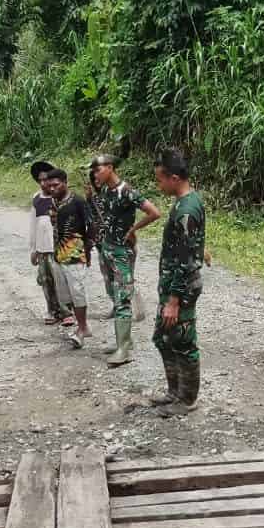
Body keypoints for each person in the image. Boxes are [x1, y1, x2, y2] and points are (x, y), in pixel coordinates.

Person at [91, 154, 161, 367]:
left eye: (97, 169)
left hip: (122, 251)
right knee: (113, 292)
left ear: (110, 167)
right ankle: (124, 341)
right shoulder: (105, 190)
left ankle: (124, 349)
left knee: (122, 297)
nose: (94, 173)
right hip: (107, 248)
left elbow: (154, 212)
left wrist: (133, 228)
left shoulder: (127, 191)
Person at [150, 149, 205, 416]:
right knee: (163, 338)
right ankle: (174, 391)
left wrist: (174, 300)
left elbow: (185, 258)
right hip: (172, 282)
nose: (158, 185)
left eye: (160, 180)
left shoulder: (187, 209)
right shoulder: (184, 202)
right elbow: (189, 245)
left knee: (183, 341)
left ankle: (187, 399)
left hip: (180, 288)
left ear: (174, 178)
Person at [44, 168, 94, 349]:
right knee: (68, 295)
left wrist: (87, 252)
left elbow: (91, 225)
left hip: (75, 254)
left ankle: (82, 329)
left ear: (65, 183)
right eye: (49, 186)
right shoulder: (54, 202)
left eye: (56, 185)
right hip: (59, 254)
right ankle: (82, 326)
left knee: (78, 292)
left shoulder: (78, 201)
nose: (52, 189)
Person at [29, 160, 75, 326]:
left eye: (46, 180)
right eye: (40, 180)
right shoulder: (36, 199)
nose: (43, 183)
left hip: (58, 248)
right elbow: (33, 225)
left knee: (61, 280)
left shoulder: (62, 199)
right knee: (46, 280)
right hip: (42, 248)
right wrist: (33, 249)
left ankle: (66, 311)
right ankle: (52, 310)